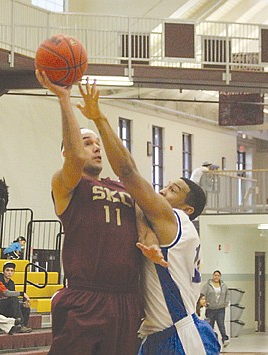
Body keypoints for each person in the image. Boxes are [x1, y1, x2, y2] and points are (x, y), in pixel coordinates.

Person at [75, 78, 221, 354]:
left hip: (181, 335)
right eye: (165, 185)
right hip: (157, 336)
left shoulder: (175, 219)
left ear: (187, 208)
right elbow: (142, 221)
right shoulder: (169, 227)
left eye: (173, 189)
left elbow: (128, 173)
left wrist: (100, 119)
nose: (163, 191)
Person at [35, 70, 146, 355]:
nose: (95, 148)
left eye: (97, 143)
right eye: (87, 142)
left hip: (127, 298)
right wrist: (64, 99)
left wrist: (99, 118)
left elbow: (129, 168)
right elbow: (75, 157)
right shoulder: (65, 182)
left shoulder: (124, 186)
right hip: (86, 296)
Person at [0, 262, 32, 333]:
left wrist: (23, 303)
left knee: (25, 306)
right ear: (3, 272)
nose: (9, 273)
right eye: (7, 270)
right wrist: (22, 293)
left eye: (12, 271)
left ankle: (22, 326)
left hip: (6, 304)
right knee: (14, 299)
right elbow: (6, 293)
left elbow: (12, 296)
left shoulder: (11, 283)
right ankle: (20, 325)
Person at [201, 270, 230, 348]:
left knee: (221, 324)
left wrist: (225, 303)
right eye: (215, 275)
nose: (216, 277)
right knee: (210, 325)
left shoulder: (224, 285)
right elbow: (202, 294)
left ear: (220, 277)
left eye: (218, 275)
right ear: (213, 276)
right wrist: (205, 302)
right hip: (210, 309)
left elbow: (227, 294)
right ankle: (211, 340)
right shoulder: (207, 285)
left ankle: (225, 338)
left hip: (220, 308)